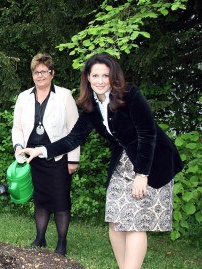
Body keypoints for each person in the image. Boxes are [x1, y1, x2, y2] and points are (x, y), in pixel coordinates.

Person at [22, 53, 183, 268]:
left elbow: (148, 134)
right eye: (94, 75)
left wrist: (142, 175)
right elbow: (73, 139)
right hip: (122, 163)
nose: (99, 80)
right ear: (87, 78)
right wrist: (40, 150)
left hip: (152, 161)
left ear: (113, 77)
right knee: (115, 219)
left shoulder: (130, 95)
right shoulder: (91, 107)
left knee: (135, 223)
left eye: (105, 75)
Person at [12, 53, 80, 256]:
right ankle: (40, 238)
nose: (39, 75)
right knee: (40, 200)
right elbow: (17, 127)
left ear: (52, 73)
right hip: (31, 157)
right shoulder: (24, 96)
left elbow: (74, 130)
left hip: (58, 157)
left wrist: (73, 159)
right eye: (36, 72)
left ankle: (61, 243)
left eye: (44, 71)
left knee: (60, 200)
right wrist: (18, 147)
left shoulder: (65, 96)